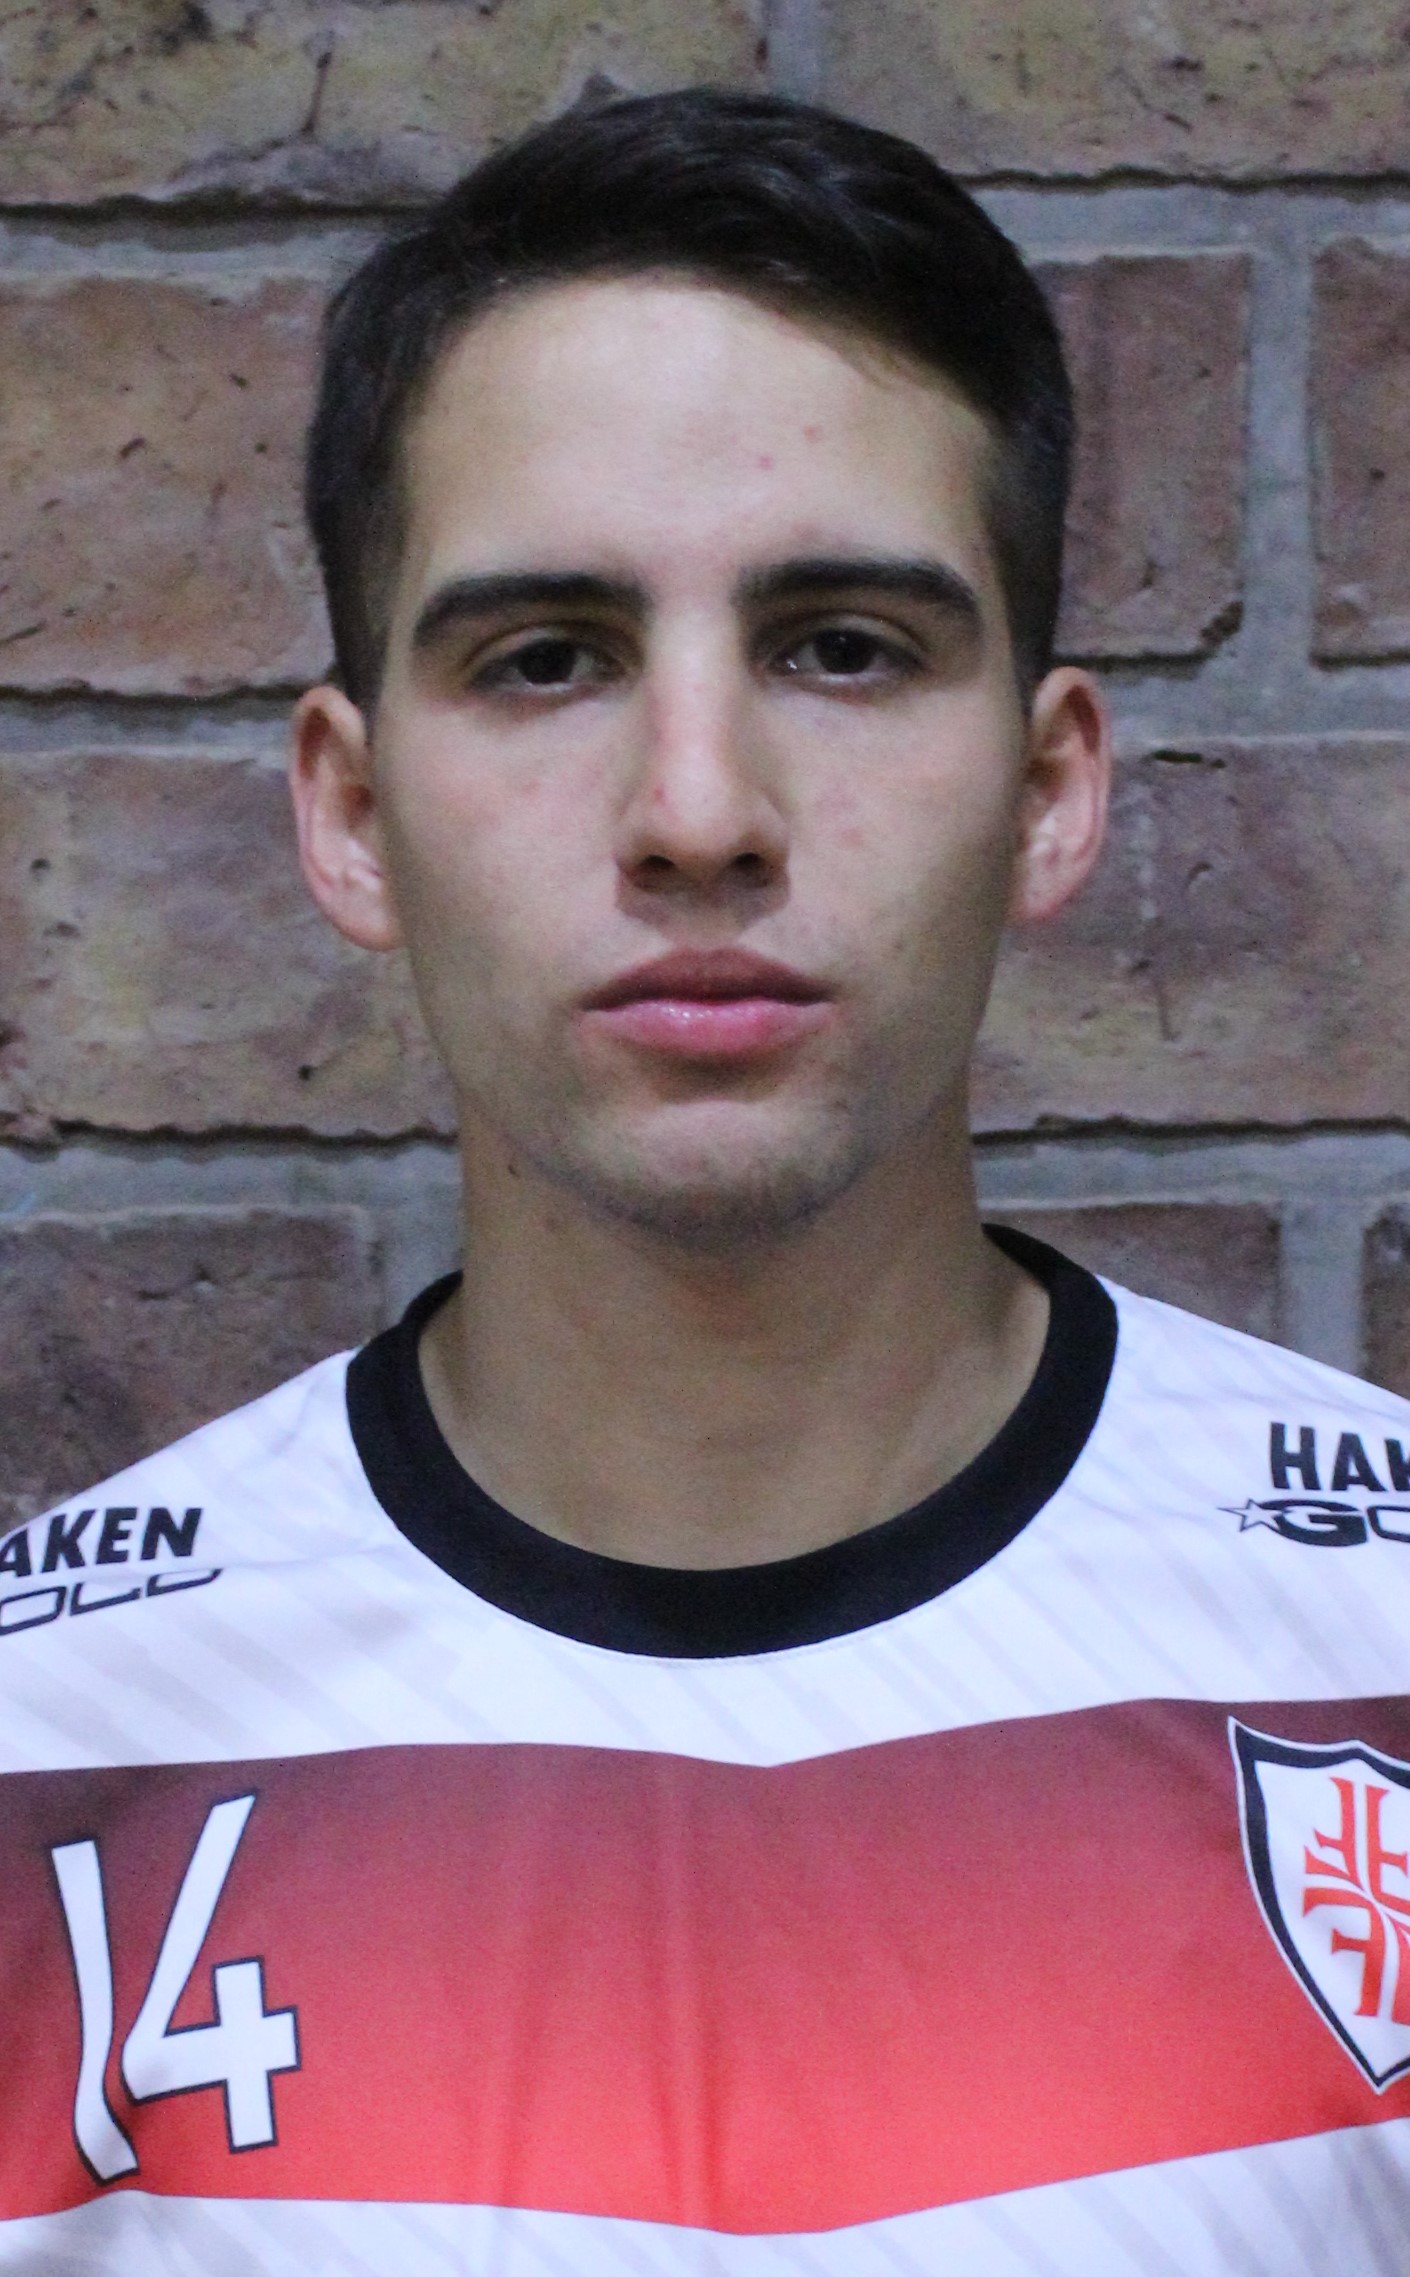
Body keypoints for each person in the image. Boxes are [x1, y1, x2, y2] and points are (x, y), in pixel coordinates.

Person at [2, 86, 1408, 2277]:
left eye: (842, 645)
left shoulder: (1374, 1649)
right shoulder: (46, 1752)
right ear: (353, 813)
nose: (696, 812)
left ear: (1046, 791)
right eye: (545, 659)